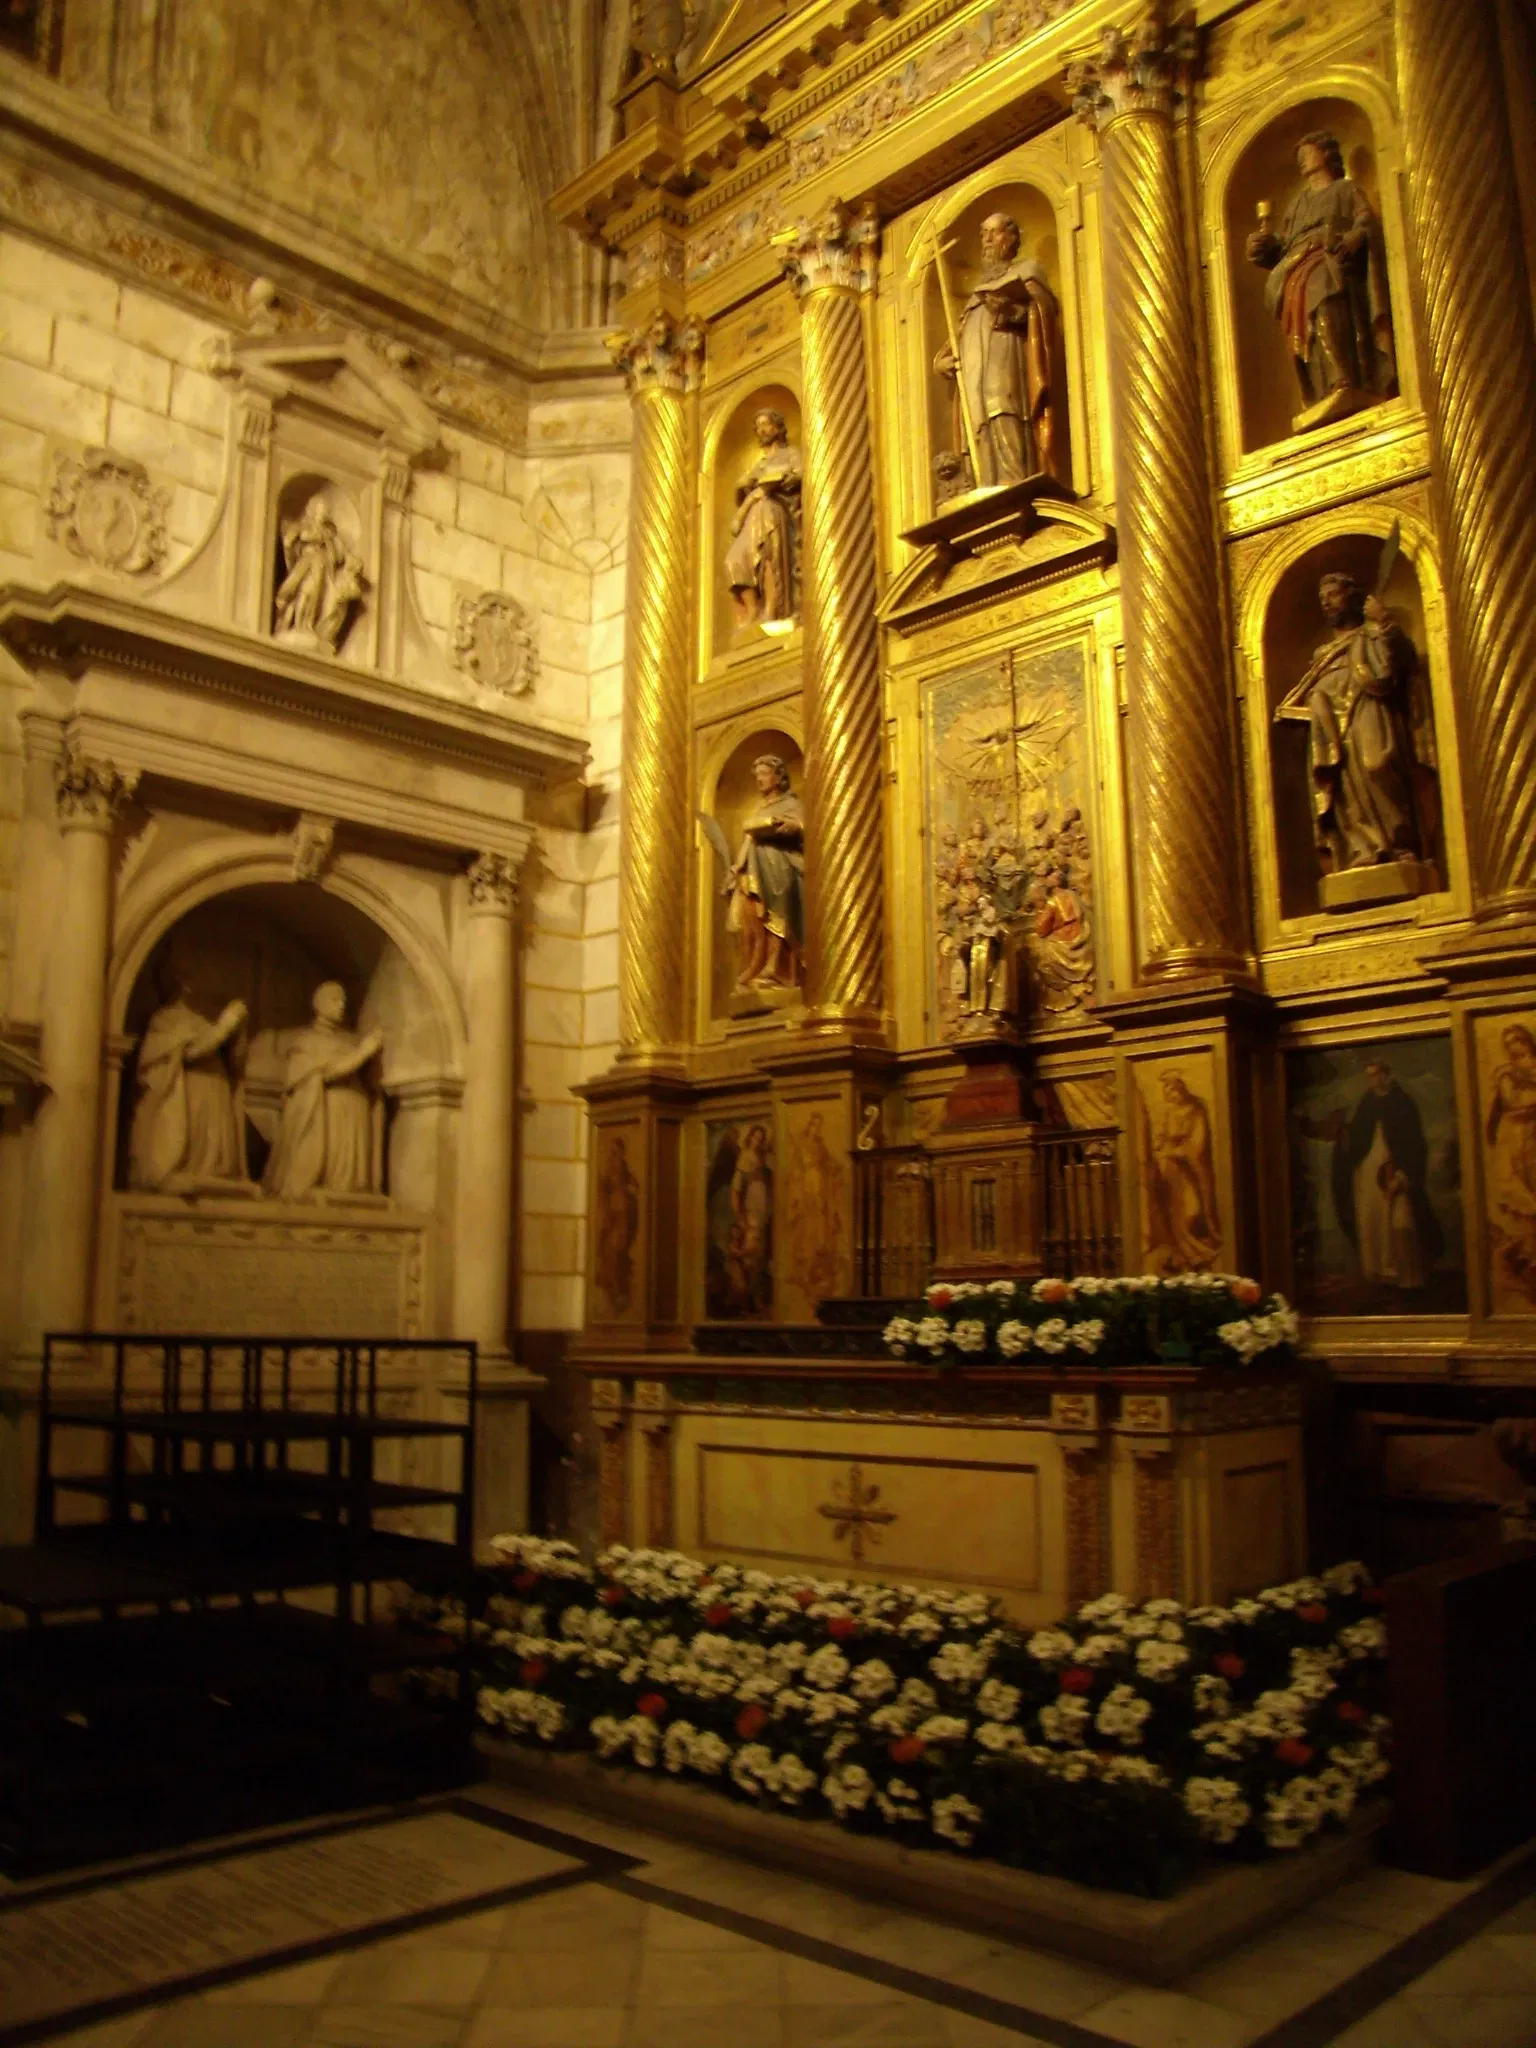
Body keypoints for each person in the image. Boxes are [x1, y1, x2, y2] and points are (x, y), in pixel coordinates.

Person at [1285, 572, 1436, 880]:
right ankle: (1361, 850)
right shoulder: (1323, 654)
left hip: (1369, 711)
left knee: (1377, 767)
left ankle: (1398, 845)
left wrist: (1382, 624)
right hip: (1331, 728)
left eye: (1334, 595)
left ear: (1354, 598)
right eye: (1323, 599)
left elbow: (1388, 673)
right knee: (1344, 789)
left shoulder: (1374, 635)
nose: (1327, 603)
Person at [1246, 131, 1395, 432]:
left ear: (1326, 154)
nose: (1301, 160)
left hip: (1328, 257)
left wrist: (1352, 238)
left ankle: (1344, 377)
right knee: (1301, 319)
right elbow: (1282, 245)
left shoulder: (1345, 189)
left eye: (1307, 152)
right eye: (1299, 156)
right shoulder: (1299, 203)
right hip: (1294, 268)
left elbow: (1364, 221)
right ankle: (1317, 390)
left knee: (1322, 289)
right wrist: (1261, 247)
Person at [933, 212, 1064, 489]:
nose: (987, 240)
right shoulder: (974, 296)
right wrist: (940, 363)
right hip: (973, 377)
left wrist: (1010, 310)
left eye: (995, 232)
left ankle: (1013, 480)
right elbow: (955, 340)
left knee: (1004, 415)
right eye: (983, 234)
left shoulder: (1027, 272)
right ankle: (982, 485)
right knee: (978, 428)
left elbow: (1043, 312)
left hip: (1006, 365)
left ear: (1012, 238)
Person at [128, 967, 249, 1191]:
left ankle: (213, 1175)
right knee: (192, 1151)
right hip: (188, 1093)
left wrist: (239, 1032)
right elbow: (191, 1052)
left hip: (215, 1089)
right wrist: (226, 1024)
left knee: (214, 1156)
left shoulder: (205, 1021)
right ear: (185, 985)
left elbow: (237, 1065)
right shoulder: (166, 1018)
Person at [263, 982, 383, 1200]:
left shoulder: (350, 1040)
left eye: (343, 1000)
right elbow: (327, 1073)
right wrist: (364, 1052)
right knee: (333, 1165)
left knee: (350, 1177)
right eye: (335, 999)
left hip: (354, 1110)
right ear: (318, 1005)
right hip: (329, 1111)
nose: (341, 1005)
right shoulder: (306, 1042)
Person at [1331, 1057, 1441, 1289]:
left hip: (1393, 1168)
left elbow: (1412, 1141)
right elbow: (1358, 1136)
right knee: (1370, 1217)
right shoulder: (1366, 1102)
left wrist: (1404, 1171)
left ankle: (1397, 1270)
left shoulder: (1402, 1102)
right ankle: (1375, 1269)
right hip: (1367, 1170)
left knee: (1396, 1221)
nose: (1373, 1080)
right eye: (1369, 1075)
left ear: (1386, 1075)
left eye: (1376, 1075)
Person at [726, 755, 805, 990]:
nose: (760, 779)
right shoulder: (759, 810)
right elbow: (750, 840)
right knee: (754, 915)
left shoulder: (792, 804)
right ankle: (757, 964)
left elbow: (810, 826)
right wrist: (737, 867)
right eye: (757, 775)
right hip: (757, 870)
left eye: (764, 774)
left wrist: (796, 826)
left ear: (778, 776)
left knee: (778, 913)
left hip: (784, 866)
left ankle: (776, 967)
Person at [724, 409, 801, 629]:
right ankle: (753, 608)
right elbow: (744, 488)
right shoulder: (759, 464)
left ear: (778, 427)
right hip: (753, 516)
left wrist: (780, 479)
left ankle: (771, 608)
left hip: (774, 512)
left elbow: (800, 474)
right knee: (734, 560)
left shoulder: (791, 454)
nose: (762, 430)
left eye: (766, 424)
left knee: (767, 555)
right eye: (758, 426)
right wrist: (745, 485)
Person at [1144, 1072, 1222, 1273]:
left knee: (1193, 1209)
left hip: (1191, 1168)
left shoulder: (1196, 1110)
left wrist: (1178, 1152)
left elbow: (1197, 1143)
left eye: (1174, 1093)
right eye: (1168, 1095)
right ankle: (1188, 1255)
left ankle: (1198, 1249)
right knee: (1176, 1210)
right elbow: (1160, 1136)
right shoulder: (1168, 1112)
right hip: (1171, 1170)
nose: (1172, 1098)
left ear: (1181, 1090)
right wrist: (1160, 1147)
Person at [273, 493, 367, 650]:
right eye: (322, 509)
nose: (325, 512)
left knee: (317, 594)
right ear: (313, 509)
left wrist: (352, 564)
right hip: (306, 565)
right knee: (305, 592)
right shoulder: (303, 527)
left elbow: (342, 554)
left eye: (326, 510)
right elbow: (289, 543)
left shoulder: (330, 534)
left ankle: (309, 625)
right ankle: (298, 624)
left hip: (322, 569)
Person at [1487, 1024, 1536, 1304]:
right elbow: (1514, 1103)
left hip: (1531, 1140)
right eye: (1511, 1046)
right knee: (1524, 1201)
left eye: (1521, 1045)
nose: (1516, 1050)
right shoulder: (1506, 1073)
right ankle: (1528, 1260)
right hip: (1514, 1141)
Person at [593, 1136, 640, 1314]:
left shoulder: (622, 1168)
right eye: (611, 1151)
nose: (612, 1155)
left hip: (622, 1215)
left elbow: (634, 1185)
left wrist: (627, 1191)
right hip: (613, 1215)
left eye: (615, 1151)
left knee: (616, 1251)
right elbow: (605, 1187)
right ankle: (613, 1289)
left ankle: (619, 1290)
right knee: (607, 1249)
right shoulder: (610, 1169)